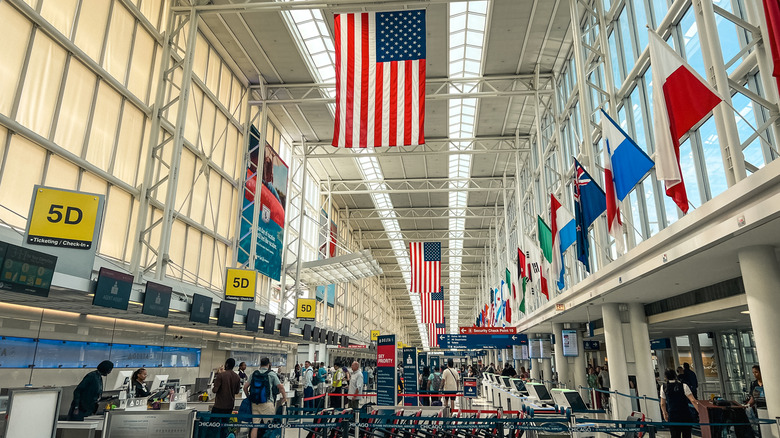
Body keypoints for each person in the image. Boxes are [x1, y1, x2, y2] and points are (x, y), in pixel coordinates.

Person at [244, 357, 287, 438]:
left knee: (255, 426)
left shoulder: (254, 373)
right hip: (267, 403)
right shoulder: (271, 374)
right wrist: (284, 398)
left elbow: (245, 387)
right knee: (269, 426)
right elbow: (280, 387)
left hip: (255, 403)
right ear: (268, 364)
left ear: (260, 364)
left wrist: (249, 397)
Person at [660, 369, 698, 438]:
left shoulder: (664, 387)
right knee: (687, 435)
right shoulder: (684, 386)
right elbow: (693, 400)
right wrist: (700, 412)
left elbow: (662, 403)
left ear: (666, 377)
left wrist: (664, 413)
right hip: (685, 414)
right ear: (675, 375)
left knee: (675, 435)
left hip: (673, 415)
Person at [212, 358, 241, 434]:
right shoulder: (237, 377)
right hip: (229, 405)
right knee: (225, 426)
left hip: (219, 405)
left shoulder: (221, 375)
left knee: (213, 426)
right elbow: (237, 391)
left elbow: (215, 390)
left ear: (227, 364)